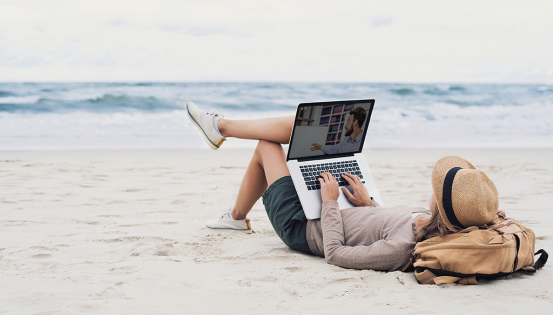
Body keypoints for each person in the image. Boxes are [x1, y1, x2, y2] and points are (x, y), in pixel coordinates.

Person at [186, 102, 499, 271]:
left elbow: (335, 254)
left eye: (440, 186)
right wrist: (367, 204)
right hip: (336, 208)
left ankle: (223, 135)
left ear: (441, 205)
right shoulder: (423, 219)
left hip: (303, 227)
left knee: (267, 145)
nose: (434, 186)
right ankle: (235, 213)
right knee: (302, 127)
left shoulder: (401, 248)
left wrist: (330, 203)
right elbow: (376, 225)